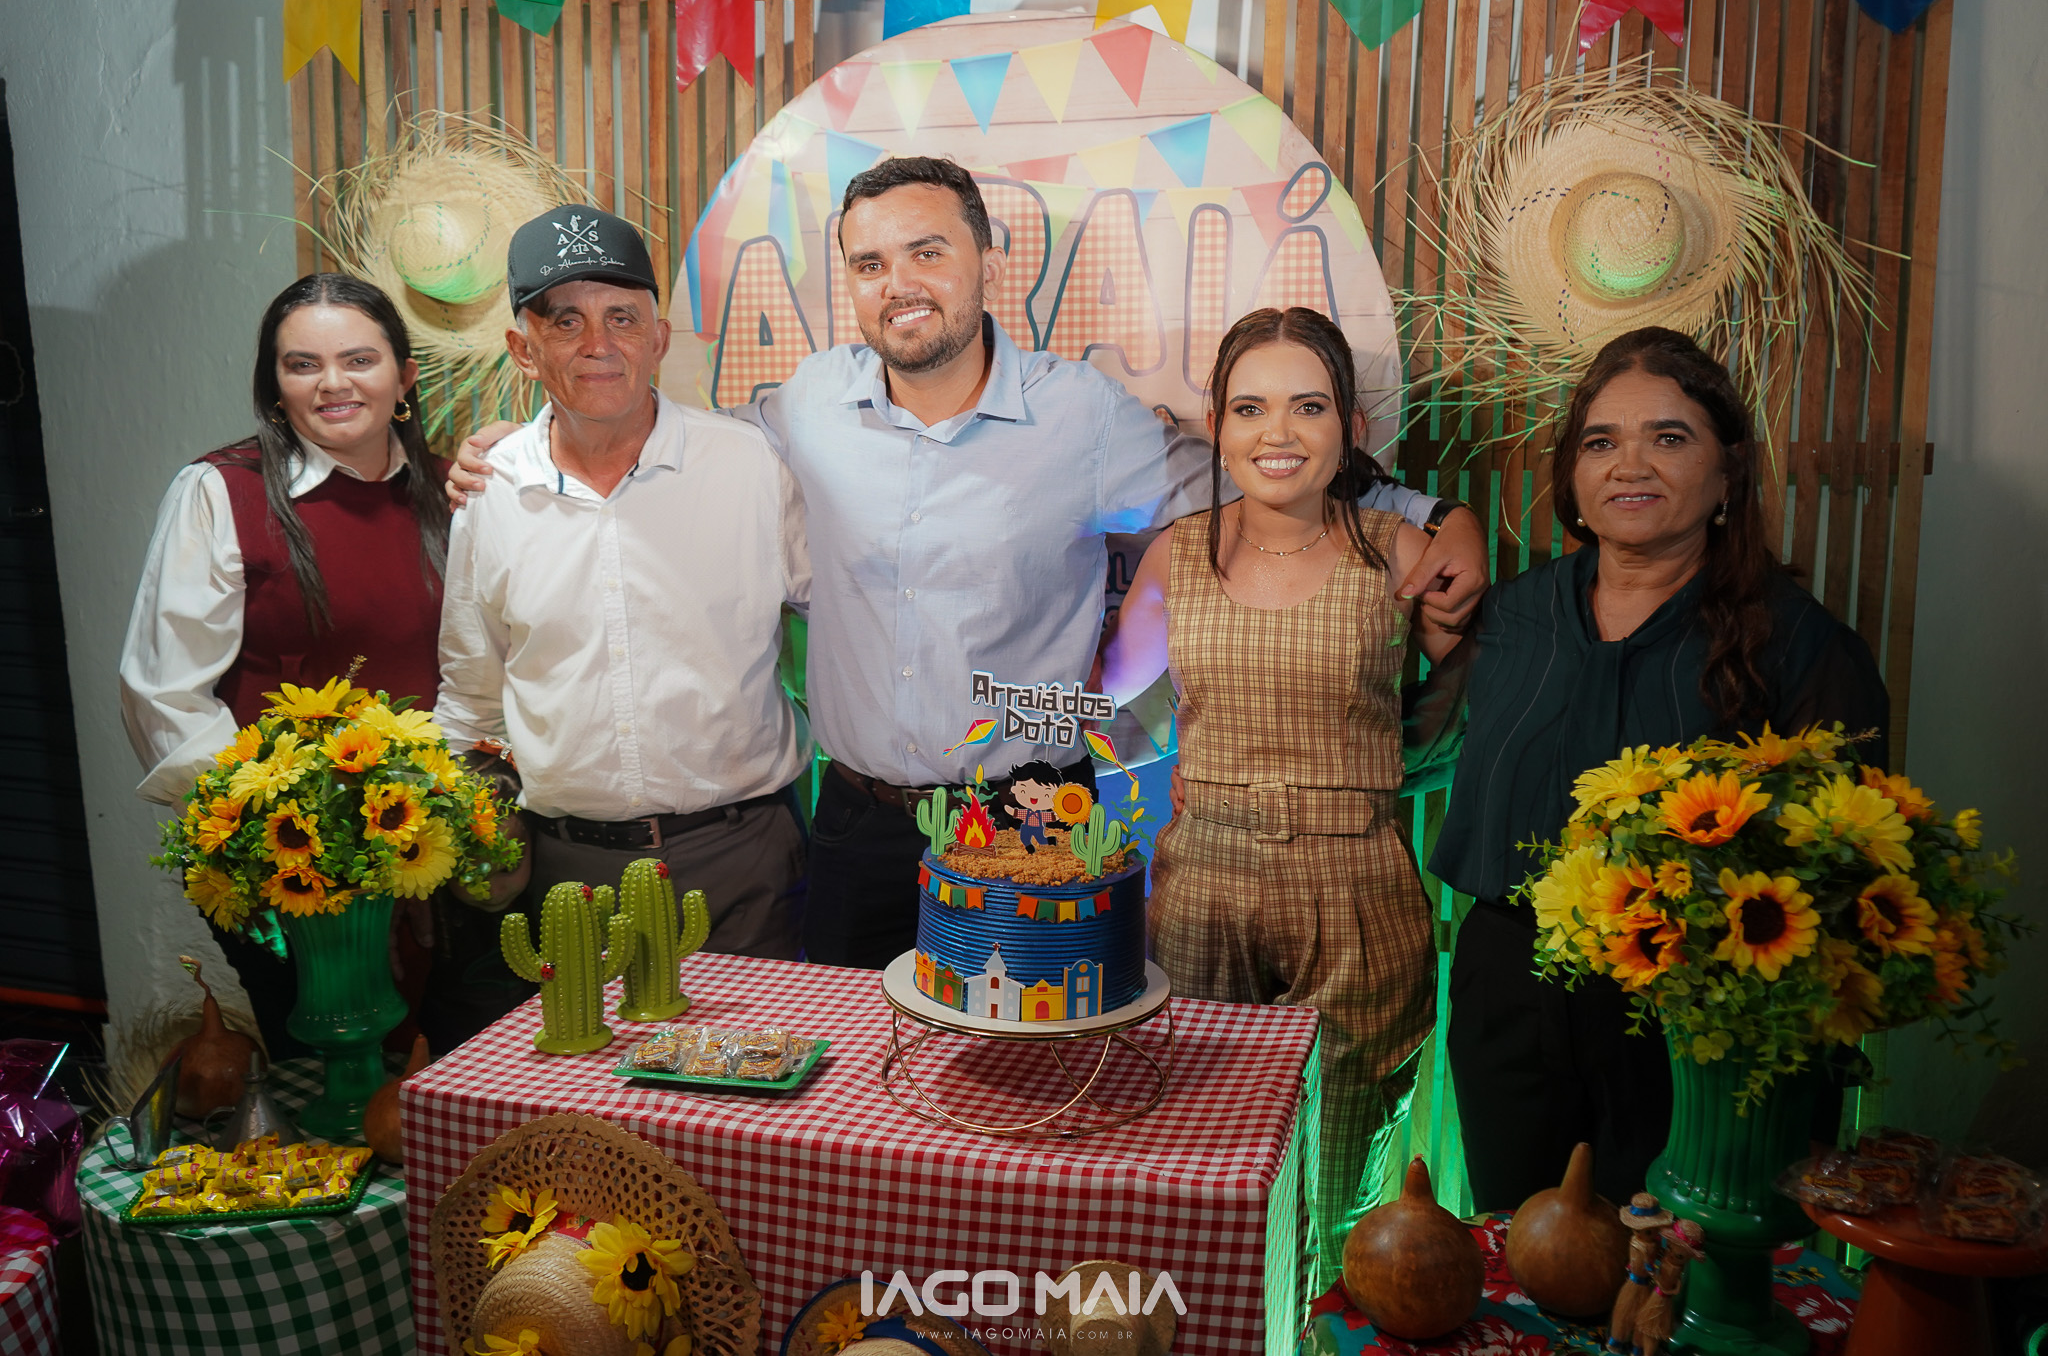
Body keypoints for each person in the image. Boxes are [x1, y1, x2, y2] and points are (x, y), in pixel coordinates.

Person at [450, 157, 1492, 970]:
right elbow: (655, 439)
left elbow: (1247, 477)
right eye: (869, 265)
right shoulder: (806, 406)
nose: (897, 285)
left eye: (926, 252)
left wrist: (1428, 513)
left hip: (1031, 818)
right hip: (853, 824)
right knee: (850, 1105)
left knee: (1030, 1093)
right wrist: (524, 445)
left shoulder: (1079, 417)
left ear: (989, 263)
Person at [1429, 326, 1890, 1212]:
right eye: (1600, 442)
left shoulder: (1799, 645)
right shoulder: (1511, 617)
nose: (1629, 465)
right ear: (1572, 475)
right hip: (1508, 997)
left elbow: (1848, 878)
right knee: (1520, 1250)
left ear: (1728, 474)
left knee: (1676, 1264)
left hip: (1698, 1013)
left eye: (1669, 438)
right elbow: (1409, 747)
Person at [1101, 305, 1460, 1268]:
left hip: (1358, 889)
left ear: (1352, 426)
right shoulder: (1177, 553)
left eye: (1309, 405)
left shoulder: (1399, 551)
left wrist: (1379, 776)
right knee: (1200, 1169)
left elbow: (1465, 708)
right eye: (1251, 407)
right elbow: (1114, 708)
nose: (1279, 432)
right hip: (1200, 886)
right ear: (1217, 427)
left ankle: (1331, 1318)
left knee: (1343, 1189)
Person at [434, 203, 812, 1002]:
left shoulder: (749, 466)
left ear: (659, 338)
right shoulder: (491, 493)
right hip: (563, 876)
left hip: (741, 861)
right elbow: (469, 699)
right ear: (523, 348)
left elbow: (847, 622)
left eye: (622, 317)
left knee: (755, 1077)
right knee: (585, 1082)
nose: (598, 343)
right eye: (565, 320)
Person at [120, 272, 458, 1059]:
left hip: (430, 856)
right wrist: (288, 856)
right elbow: (164, 695)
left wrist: (426, 842)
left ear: (405, 376)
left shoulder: (452, 491)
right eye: (303, 364)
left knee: (440, 1075)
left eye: (359, 359)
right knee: (325, 1073)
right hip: (290, 870)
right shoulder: (222, 493)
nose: (333, 383)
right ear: (275, 387)